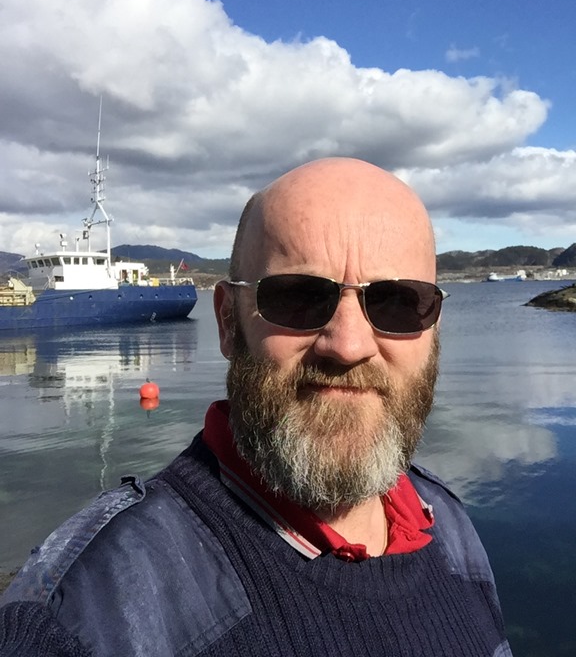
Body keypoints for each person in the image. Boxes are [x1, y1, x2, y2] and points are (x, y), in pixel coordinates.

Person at [0, 158, 512, 657]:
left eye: (397, 302)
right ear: (228, 321)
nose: (349, 345)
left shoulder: (448, 524)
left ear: (433, 326)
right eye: (298, 296)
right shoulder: (85, 613)